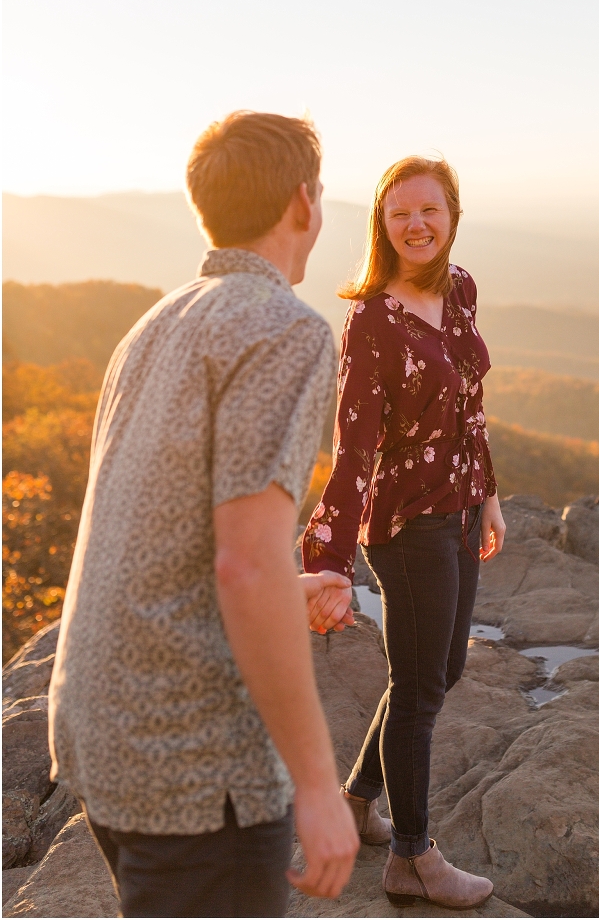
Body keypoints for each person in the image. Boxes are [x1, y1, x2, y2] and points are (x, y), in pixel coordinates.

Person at [48, 112, 360, 918]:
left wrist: (290, 589)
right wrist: (322, 789)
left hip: (101, 732)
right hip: (194, 760)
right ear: (303, 202)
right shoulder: (287, 330)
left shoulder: (152, 327)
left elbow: (166, 538)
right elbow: (243, 562)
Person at [302, 156, 506, 910]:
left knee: (443, 670)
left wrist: (487, 494)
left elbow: (471, 404)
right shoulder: (371, 322)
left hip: (457, 511)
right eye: (400, 215)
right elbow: (352, 446)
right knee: (419, 688)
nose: (417, 225)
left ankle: (357, 799)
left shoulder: (460, 290)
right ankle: (413, 859)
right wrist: (326, 559)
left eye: (430, 211)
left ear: (452, 214)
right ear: (382, 227)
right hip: (406, 524)